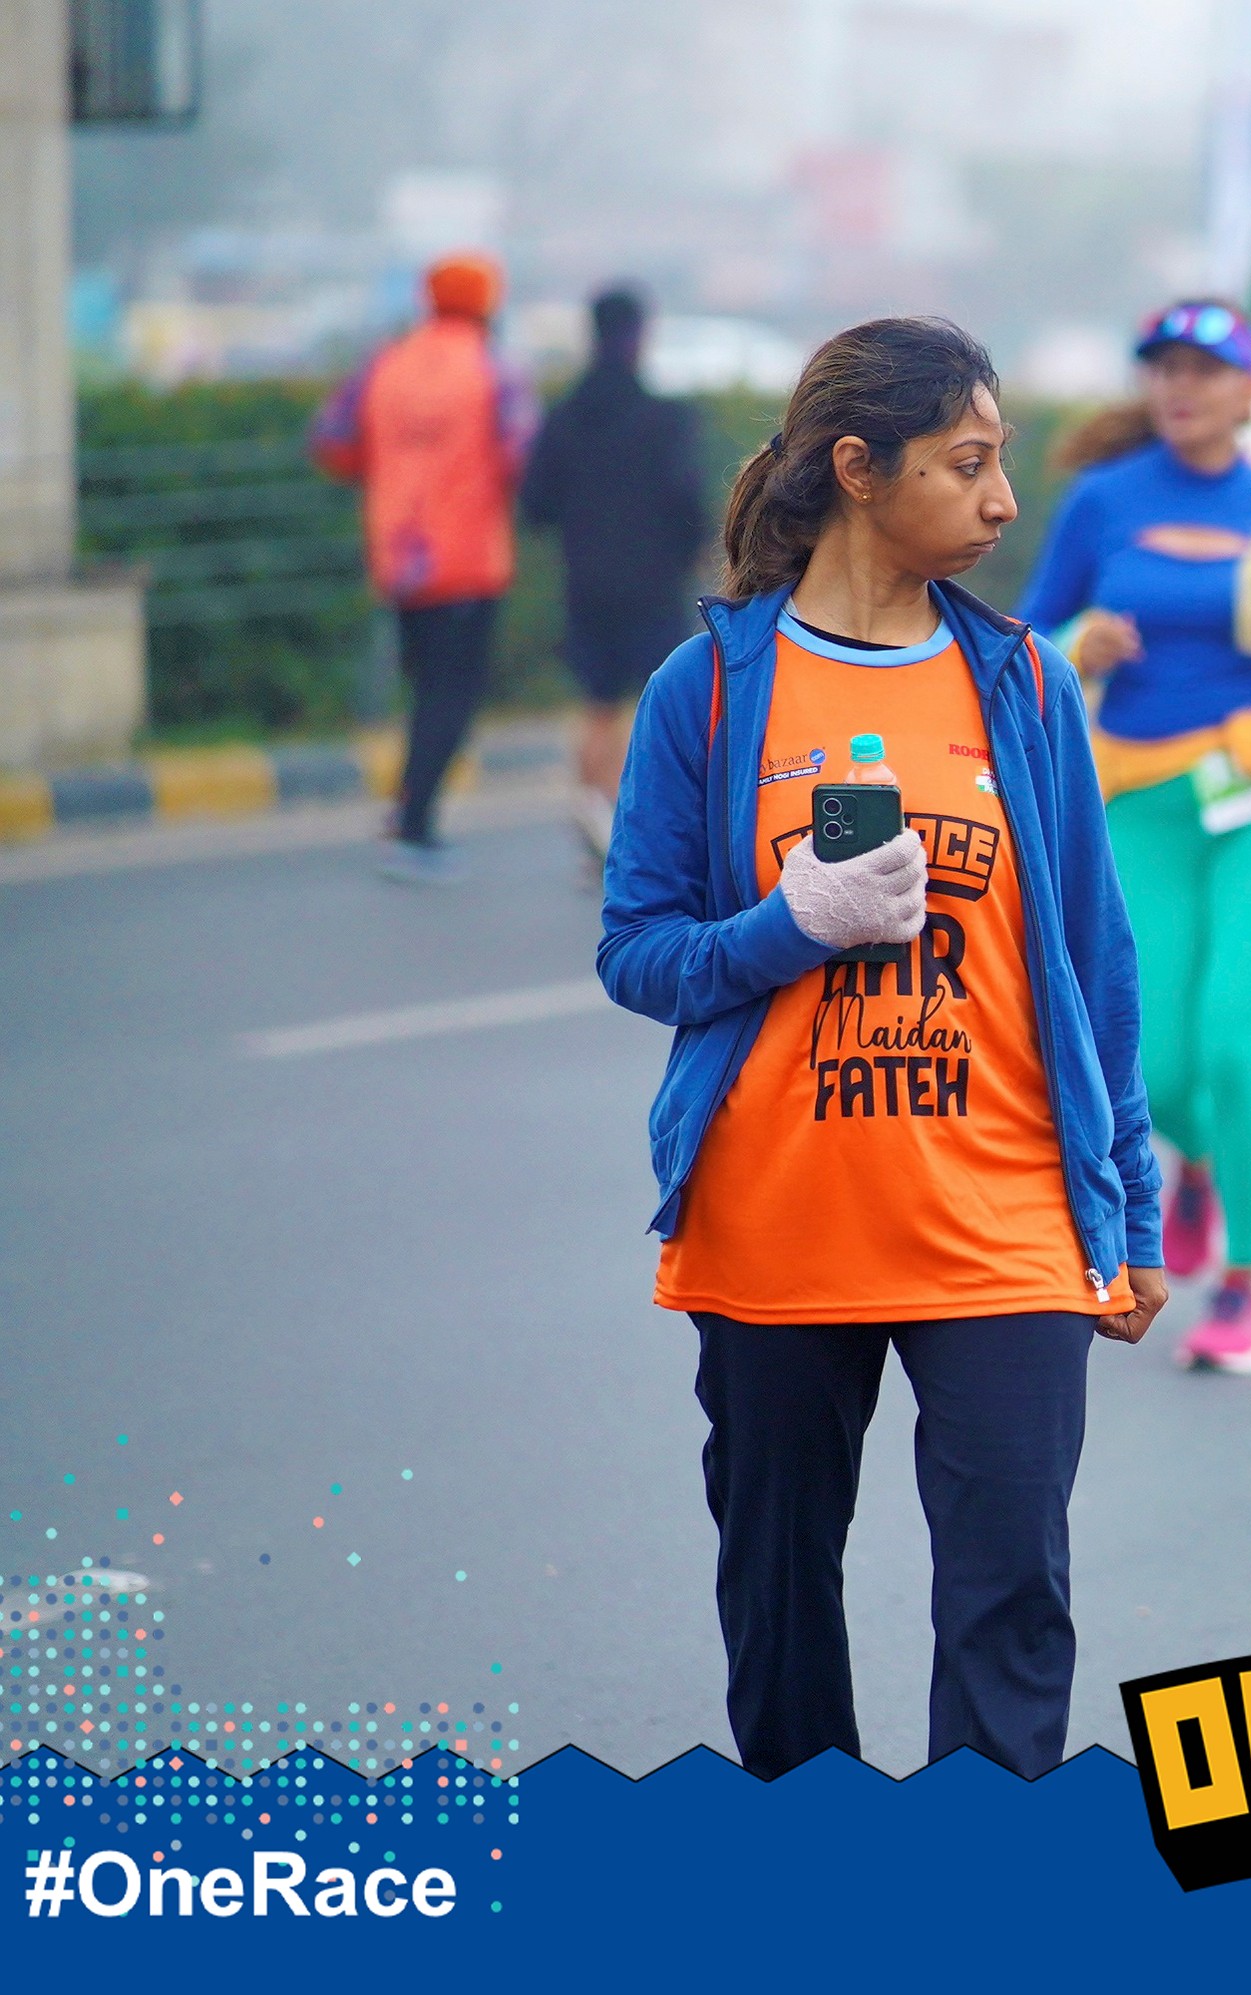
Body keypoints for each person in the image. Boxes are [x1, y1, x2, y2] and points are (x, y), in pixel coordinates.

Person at [597, 317, 1166, 1779]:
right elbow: (637, 950)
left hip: (1001, 1221)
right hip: (780, 1225)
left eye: (1002, 463)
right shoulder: (708, 693)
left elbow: (1095, 962)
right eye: (966, 465)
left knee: (1012, 1601)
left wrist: (1130, 1209)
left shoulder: (1023, 685)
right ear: (858, 469)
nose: (1003, 501)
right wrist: (786, 927)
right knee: (779, 1598)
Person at [1018, 299, 1251, 1378]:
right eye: (1164, 369)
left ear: (1250, 390)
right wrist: (1074, 642)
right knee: (1151, 1062)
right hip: (1142, 799)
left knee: (1231, 1044)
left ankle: (1244, 1288)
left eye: (1205, 369)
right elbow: (1025, 642)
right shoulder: (1103, 501)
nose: (1180, 388)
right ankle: (1197, 1169)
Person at [310, 250, 539, 884]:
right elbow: (524, 457)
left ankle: (407, 808)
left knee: (424, 691)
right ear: (488, 306)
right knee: (452, 696)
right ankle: (414, 827)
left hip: (398, 560)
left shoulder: (385, 363)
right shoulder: (494, 371)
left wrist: (387, 471)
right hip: (467, 560)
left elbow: (331, 441)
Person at [521, 284, 708, 861]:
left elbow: (535, 505)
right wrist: (691, 554)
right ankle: (638, 834)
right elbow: (688, 501)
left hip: (587, 582)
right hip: (656, 582)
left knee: (597, 706)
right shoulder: (666, 418)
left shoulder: (563, 417)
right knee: (661, 705)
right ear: (640, 335)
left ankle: (592, 815)